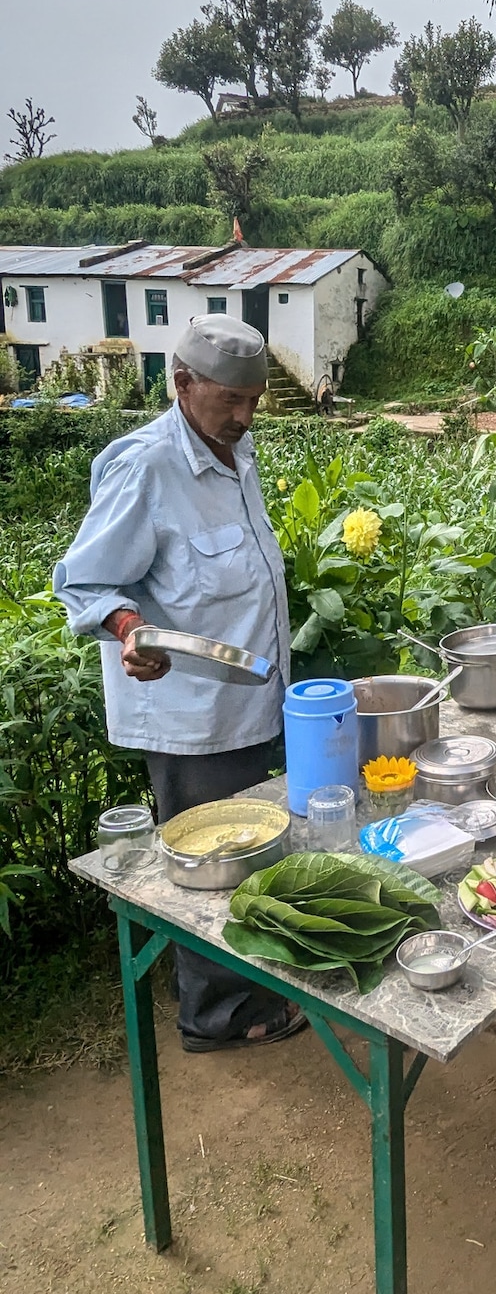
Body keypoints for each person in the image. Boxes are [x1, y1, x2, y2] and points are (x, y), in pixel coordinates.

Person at [54, 314, 304, 1053]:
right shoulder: (146, 466)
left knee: (250, 851)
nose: (246, 413)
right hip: (192, 714)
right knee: (209, 867)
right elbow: (89, 580)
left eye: (255, 398)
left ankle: (251, 983)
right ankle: (217, 1017)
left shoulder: (233, 445)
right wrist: (131, 628)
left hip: (251, 695)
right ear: (183, 383)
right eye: (231, 399)